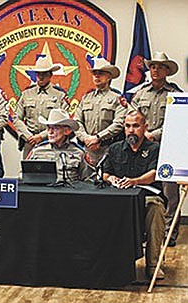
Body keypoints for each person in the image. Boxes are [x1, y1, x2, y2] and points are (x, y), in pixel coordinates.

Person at [103, 111, 165, 280]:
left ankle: (152, 264)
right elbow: (105, 173)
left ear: (145, 127)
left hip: (147, 197)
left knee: (156, 210)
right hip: (120, 199)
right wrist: (111, 178)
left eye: (136, 126)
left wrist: (135, 181)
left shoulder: (154, 149)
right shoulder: (115, 148)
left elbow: (154, 174)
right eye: (128, 126)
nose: (131, 130)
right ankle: (111, 262)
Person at [132, 51, 182, 247]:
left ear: (167, 71)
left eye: (160, 67)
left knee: (170, 194)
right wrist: (142, 134)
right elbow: (132, 117)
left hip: (167, 149)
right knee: (145, 189)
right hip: (144, 151)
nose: (155, 70)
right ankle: (146, 232)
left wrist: (154, 134)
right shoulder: (140, 93)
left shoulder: (175, 94)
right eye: (152, 66)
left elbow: (178, 121)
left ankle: (169, 234)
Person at [74, 58, 127, 166]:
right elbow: (77, 122)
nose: (97, 76)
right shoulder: (86, 98)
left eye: (101, 73)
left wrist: (98, 138)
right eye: (95, 73)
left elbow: (119, 123)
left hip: (109, 147)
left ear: (109, 77)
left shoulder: (117, 98)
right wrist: (86, 139)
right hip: (87, 148)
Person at [13, 56, 69, 158]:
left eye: (44, 73)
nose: (41, 77)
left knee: (52, 171)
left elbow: (63, 120)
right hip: (30, 142)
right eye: (38, 73)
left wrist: (41, 136)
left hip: (51, 141)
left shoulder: (59, 95)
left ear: (50, 75)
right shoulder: (26, 93)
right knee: (28, 172)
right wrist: (29, 136)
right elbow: (16, 118)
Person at [29, 108, 90, 182]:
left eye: (55, 128)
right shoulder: (37, 151)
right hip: (45, 191)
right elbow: (24, 175)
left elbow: (88, 180)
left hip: (69, 191)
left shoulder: (79, 153)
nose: (50, 132)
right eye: (48, 128)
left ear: (67, 131)